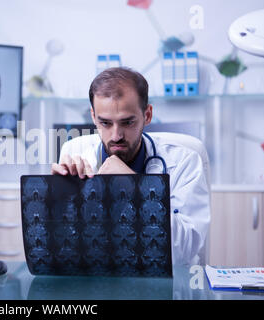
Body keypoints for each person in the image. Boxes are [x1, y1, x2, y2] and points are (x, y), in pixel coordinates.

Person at [51, 67, 210, 266]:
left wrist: (135, 188)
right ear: (93, 116)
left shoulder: (184, 162)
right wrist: (57, 202)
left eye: (127, 122)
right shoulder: (76, 155)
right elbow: (65, 252)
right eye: (105, 123)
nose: (116, 135)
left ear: (148, 115)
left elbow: (183, 252)